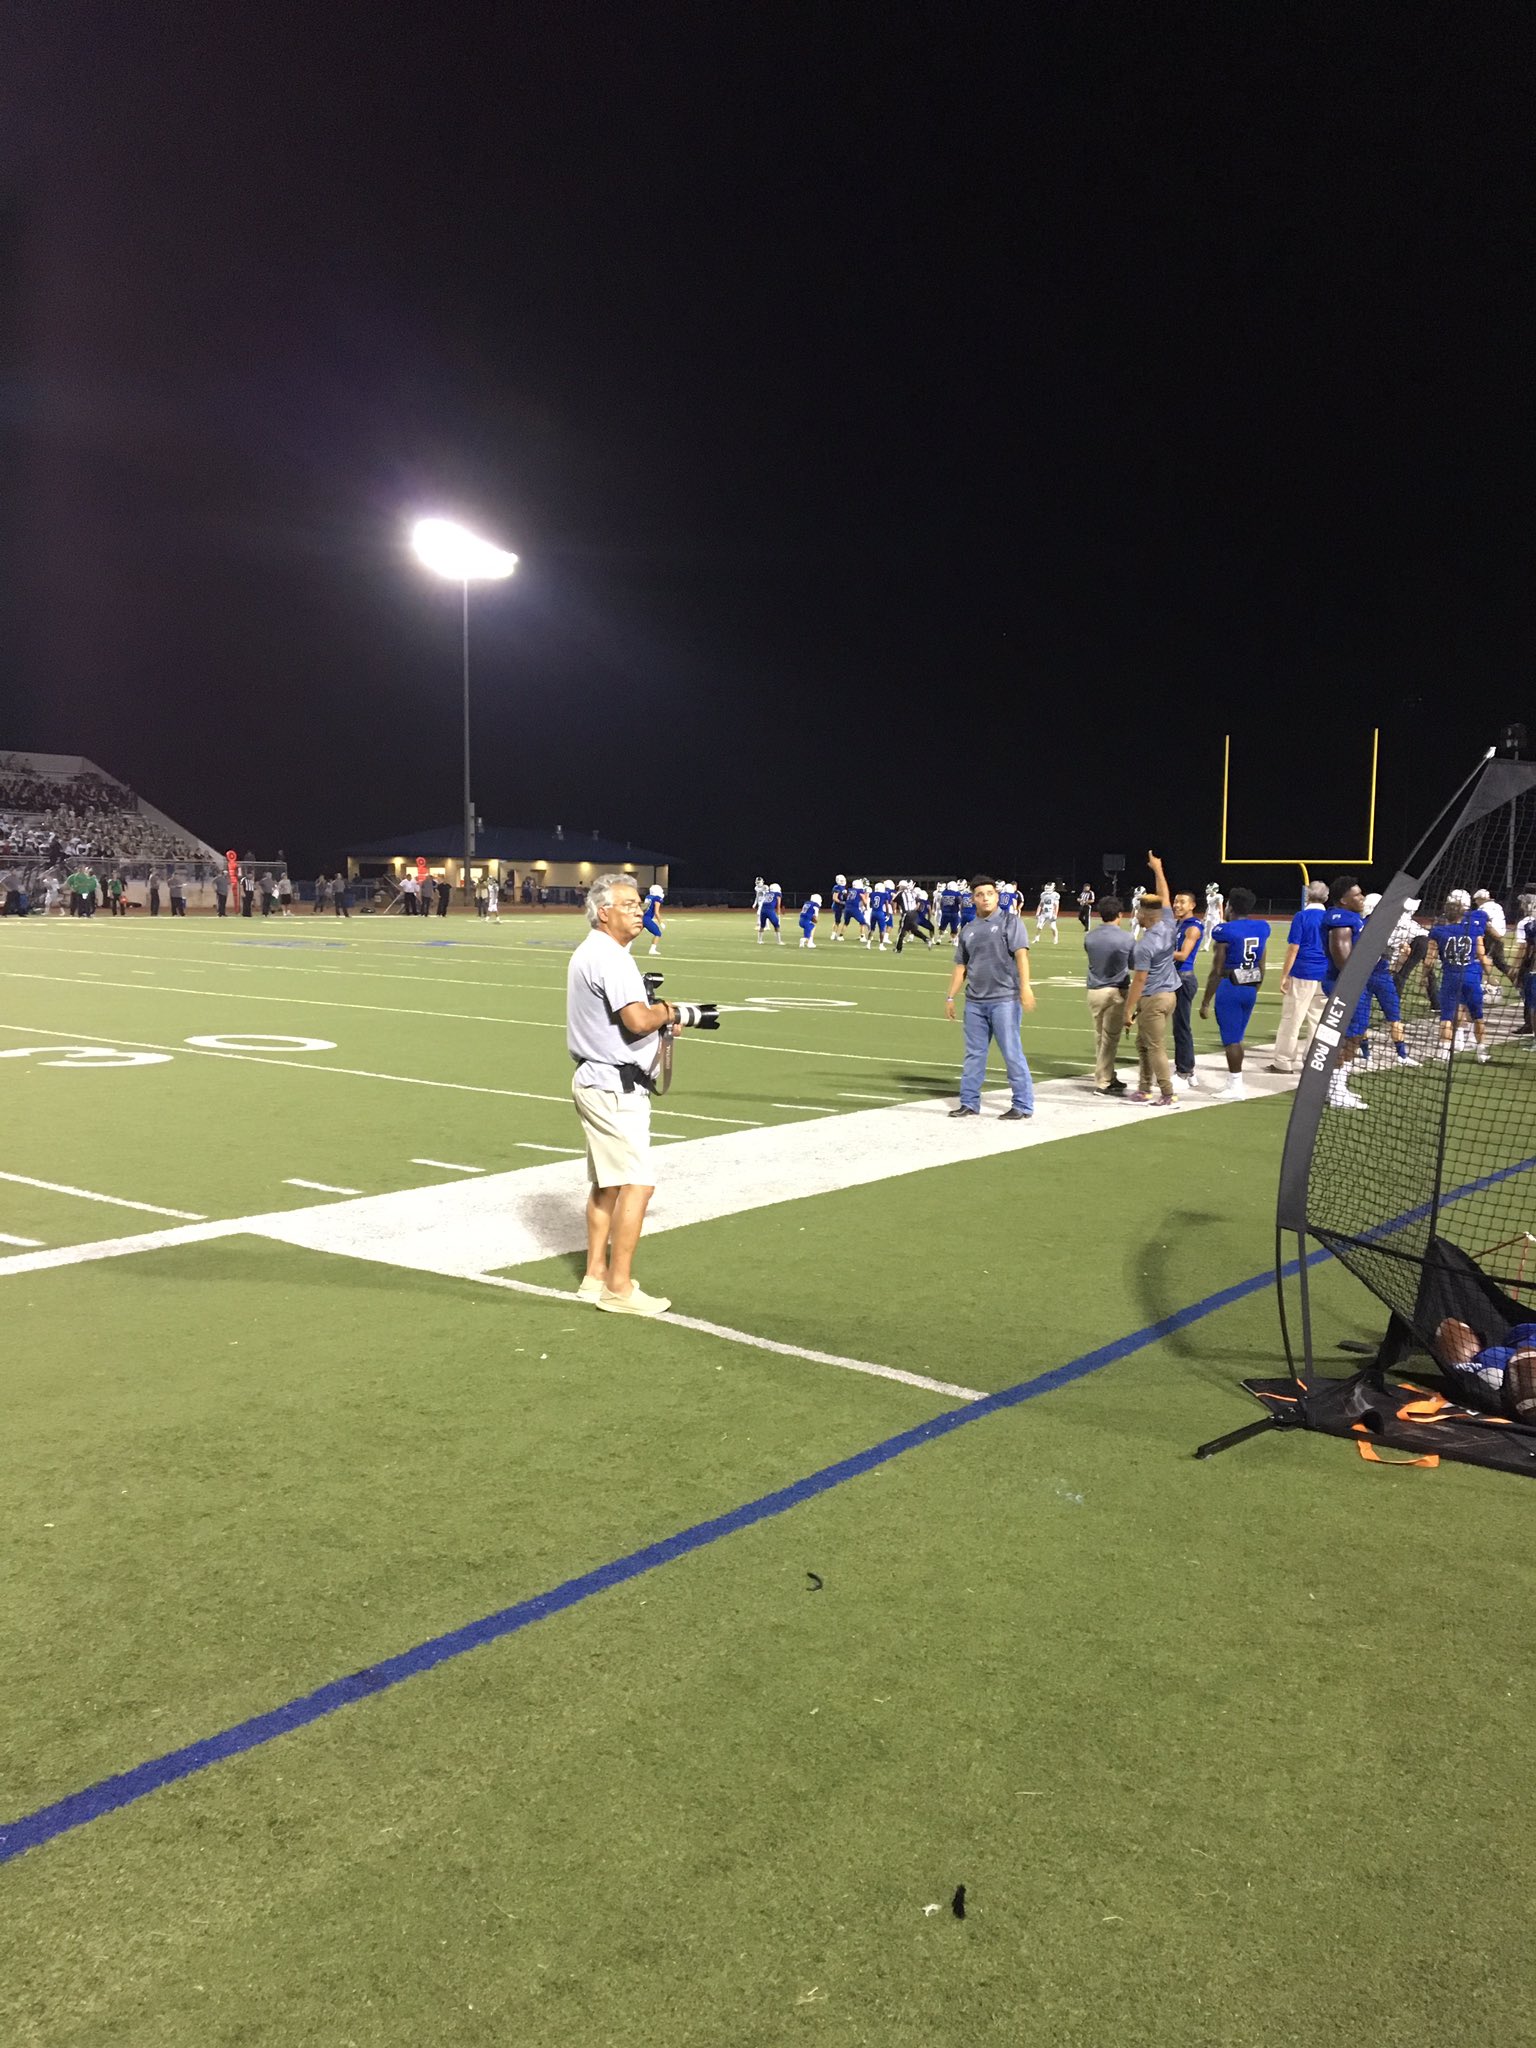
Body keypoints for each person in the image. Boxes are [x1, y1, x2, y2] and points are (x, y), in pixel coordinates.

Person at [567, 872, 718, 1316]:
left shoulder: (592, 951)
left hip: (597, 1079)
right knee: (638, 1183)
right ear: (604, 912)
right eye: (629, 905)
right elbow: (636, 1020)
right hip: (615, 1086)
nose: (639, 911)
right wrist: (670, 1012)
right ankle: (618, 1288)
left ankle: (595, 1276)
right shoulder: (611, 957)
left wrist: (660, 1020)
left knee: (607, 1185)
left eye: (639, 904)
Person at [944, 874, 1035, 1120]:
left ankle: (1023, 1104)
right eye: (980, 895)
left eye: (990, 894)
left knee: (1011, 1052)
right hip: (975, 1002)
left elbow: (1021, 955)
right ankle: (969, 1102)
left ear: (997, 896)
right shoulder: (968, 929)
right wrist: (950, 997)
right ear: (972, 899)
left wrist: (1025, 987)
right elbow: (961, 966)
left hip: (1004, 999)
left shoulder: (1010, 921)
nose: (985, 898)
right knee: (974, 1054)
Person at [1122, 853, 1180, 1106]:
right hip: (1169, 994)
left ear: (1146, 916)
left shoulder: (1145, 945)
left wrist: (1128, 1009)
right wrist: (1158, 869)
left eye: (1139, 912)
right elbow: (1164, 896)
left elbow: (1139, 980)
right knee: (1143, 1043)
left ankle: (1167, 1093)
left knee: (1155, 1046)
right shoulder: (1168, 924)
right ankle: (1144, 1088)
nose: (1136, 915)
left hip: (1153, 997)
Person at [1199, 886, 1268, 1098]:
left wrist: (1205, 1001)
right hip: (1250, 986)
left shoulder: (1225, 931)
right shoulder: (1261, 928)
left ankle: (1236, 1085)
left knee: (1231, 1040)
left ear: (1230, 907)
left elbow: (1216, 971)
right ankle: (1234, 1082)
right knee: (1237, 1037)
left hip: (1230, 987)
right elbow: (1262, 964)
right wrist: (1256, 988)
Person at [1319, 876, 1371, 1109]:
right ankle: (1336, 1091)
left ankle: (1337, 1086)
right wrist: (1354, 981)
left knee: (1355, 1035)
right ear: (1343, 900)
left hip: (1350, 983)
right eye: (1357, 895)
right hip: (1345, 984)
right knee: (1346, 1037)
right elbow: (1341, 956)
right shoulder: (1341, 920)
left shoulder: (1349, 917)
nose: (1362, 898)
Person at [1268, 881, 1330, 1074]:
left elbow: (1293, 948)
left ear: (1308, 896)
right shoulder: (1330, 917)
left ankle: (1283, 1061)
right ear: (1326, 897)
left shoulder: (1302, 916)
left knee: (1292, 1019)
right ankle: (1313, 1061)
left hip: (1304, 972)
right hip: (1325, 974)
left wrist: (1285, 975)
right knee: (1318, 1021)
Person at [1425, 895, 1489, 1063]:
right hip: (1471, 976)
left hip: (1450, 977)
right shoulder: (1473, 929)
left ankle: (1444, 1053)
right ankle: (1481, 1052)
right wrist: (1490, 975)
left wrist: (1424, 976)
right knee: (1478, 1016)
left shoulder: (1438, 932)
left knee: (1446, 1016)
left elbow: (1429, 959)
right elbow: (1482, 956)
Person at [1083, 895, 1132, 1095]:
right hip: (1115, 990)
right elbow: (1134, 963)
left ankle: (1108, 1075)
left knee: (1100, 1036)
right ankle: (1103, 1082)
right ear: (1119, 914)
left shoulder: (1090, 936)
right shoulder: (1126, 937)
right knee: (1110, 1038)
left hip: (1094, 989)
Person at [1170, 889, 1205, 1092]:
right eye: (1176, 901)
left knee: (1181, 1027)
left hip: (1183, 979)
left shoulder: (1193, 926)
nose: (1177, 905)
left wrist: (1157, 951)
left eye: (1182, 902)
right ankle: (1189, 1072)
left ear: (1192, 905)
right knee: (1179, 1026)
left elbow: (1183, 955)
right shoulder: (1179, 924)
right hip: (1176, 977)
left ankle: (1184, 1071)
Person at [895, 883, 934, 953]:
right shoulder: (913, 894)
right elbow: (918, 904)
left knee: (902, 931)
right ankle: (926, 939)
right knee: (913, 930)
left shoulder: (901, 894)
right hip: (914, 914)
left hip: (907, 913)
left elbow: (894, 901)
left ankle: (898, 949)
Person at [756, 879, 783, 945]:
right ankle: (779, 941)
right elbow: (778, 905)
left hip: (763, 910)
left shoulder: (767, 893)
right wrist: (779, 915)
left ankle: (759, 940)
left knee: (762, 926)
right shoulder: (777, 894)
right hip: (770, 910)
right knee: (777, 925)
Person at [1034, 879, 1060, 945]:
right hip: (1044, 913)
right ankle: (1036, 938)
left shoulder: (1055, 895)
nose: (1047, 889)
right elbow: (1041, 904)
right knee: (1039, 927)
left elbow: (1056, 905)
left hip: (1051, 913)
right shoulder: (1043, 894)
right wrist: (1037, 913)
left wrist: (1055, 914)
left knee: (1053, 927)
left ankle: (1055, 939)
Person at [642, 882, 666, 954]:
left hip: (641, 917)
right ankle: (652, 950)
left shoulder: (648, 896)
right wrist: (661, 923)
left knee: (632, 934)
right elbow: (656, 912)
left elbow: (644, 908)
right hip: (646, 918)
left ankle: (625, 948)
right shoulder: (657, 898)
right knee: (658, 933)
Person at [829, 874, 849, 940]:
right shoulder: (837, 887)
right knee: (837, 921)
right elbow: (835, 898)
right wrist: (842, 902)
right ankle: (833, 934)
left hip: (842, 905)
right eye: (841, 880)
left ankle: (837, 934)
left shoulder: (843, 887)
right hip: (837, 906)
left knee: (844, 920)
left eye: (843, 880)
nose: (842, 882)